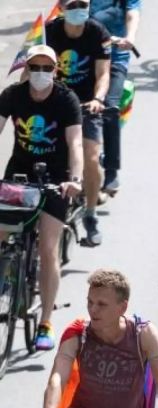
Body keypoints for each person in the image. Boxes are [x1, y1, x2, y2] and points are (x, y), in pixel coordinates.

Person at [36, 270, 158, 408]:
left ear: (122, 307)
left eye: (101, 304)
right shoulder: (79, 333)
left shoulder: (144, 334)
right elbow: (57, 378)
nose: (92, 309)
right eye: (90, 302)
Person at [0, 45, 84, 351]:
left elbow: (75, 144)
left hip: (56, 180)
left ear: (55, 71)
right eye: (34, 67)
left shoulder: (66, 100)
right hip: (18, 175)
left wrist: (74, 180)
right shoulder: (12, 95)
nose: (40, 73)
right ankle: (6, 275)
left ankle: (46, 321)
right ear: (26, 68)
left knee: (48, 249)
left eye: (46, 68)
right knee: (2, 232)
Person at [46, 0, 111, 247]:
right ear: (61, 7)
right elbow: (34, 68)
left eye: (83, 3)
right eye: (72, 4)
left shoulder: (97, 32)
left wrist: (97, 98)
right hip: (55, 103)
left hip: (86, 104)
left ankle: (91, 214)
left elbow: (103, 73)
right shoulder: (50, 31)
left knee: (91, 159)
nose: (78, 8)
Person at [89, 0, 140, 196]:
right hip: (83, 58)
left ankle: (111, 172)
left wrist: (130, 36)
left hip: (114, 59)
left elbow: (132, 13)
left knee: (109, 108)